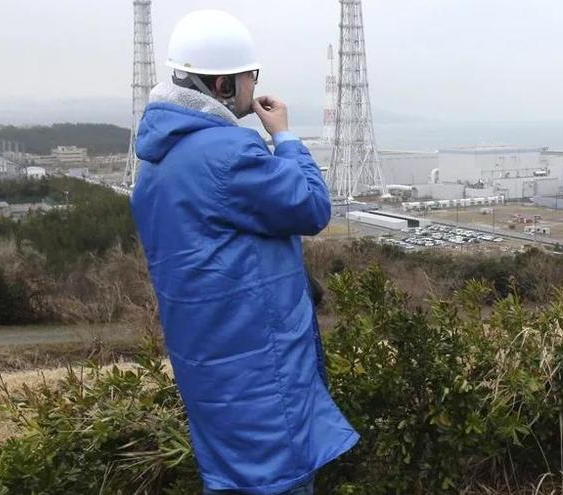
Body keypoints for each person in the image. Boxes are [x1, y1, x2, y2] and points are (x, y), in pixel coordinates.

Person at [129, 10, 358, 495]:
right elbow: (313, 206)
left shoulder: (153, 165)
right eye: (250, 77)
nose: (254, 87)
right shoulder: (229, 154)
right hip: (259, 364)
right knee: (279, 476)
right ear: (222, 84)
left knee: (231, 478)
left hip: (208, 361)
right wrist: (285, 137)